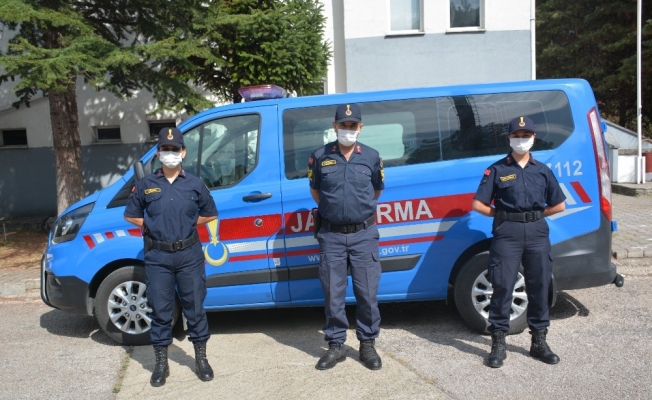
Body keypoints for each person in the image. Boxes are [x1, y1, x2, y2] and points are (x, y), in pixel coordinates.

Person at [124, 127, 218, 386]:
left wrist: (189, 223)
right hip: (158, 256)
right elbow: (130, 214)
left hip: (189, 254)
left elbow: (210, 212)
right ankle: (161, 364)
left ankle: (201, 359)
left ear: (183, 152)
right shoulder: (146, 185)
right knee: (160, 311)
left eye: (174, 149)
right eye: (165, 149)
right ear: (158, 153)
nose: (170, 153)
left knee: (195, 309)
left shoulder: (195, 183)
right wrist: (150, 224)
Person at [472, 116, 566, 368]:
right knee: (502, 285)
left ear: (534, 138)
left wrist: (535, 215)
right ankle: (498, 343)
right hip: (507, 232)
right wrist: (501, 215)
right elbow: (478, 204)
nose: (521, 140)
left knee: (539, 285)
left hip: (536, 232)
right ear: (509, 138)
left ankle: (539, 341)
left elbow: (559, 204)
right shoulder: (497, 170)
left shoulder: (542, 170)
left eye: (526, 135)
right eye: (516, 135)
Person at [308, 103, 385, 370]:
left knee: (367, 293)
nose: (348, 129)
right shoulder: (320, 156)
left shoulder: (371, 156)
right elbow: (316, 190)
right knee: (333, 293)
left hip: (364, 234)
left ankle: (367, 344)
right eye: (343, 125)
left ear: (360, 127)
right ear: (335, 126)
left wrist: (357, 210)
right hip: (331, 235)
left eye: (353, 125)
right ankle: (336, 345)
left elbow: (376, 190)